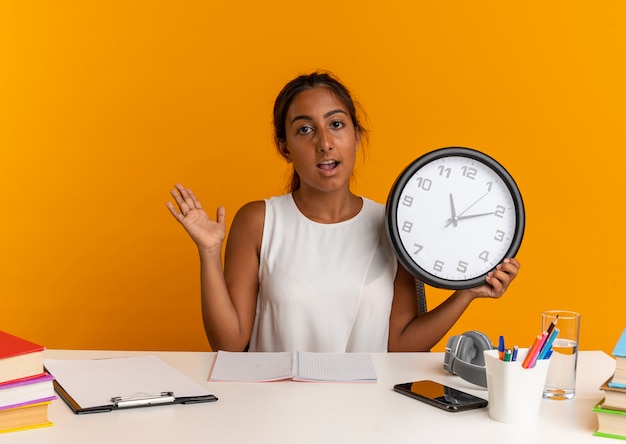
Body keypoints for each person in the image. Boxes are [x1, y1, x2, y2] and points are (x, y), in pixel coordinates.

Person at [166, 71, 520, 353]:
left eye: (336, 124)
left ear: (356, 135)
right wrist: (210, 253)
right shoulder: (258, 221)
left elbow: (400, 346)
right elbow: (228, 344)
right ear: (284, 147)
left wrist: (467, 292)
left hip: (369, 417)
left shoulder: (394, 225)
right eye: (304, 129)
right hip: (274, 415)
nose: (324, 142)